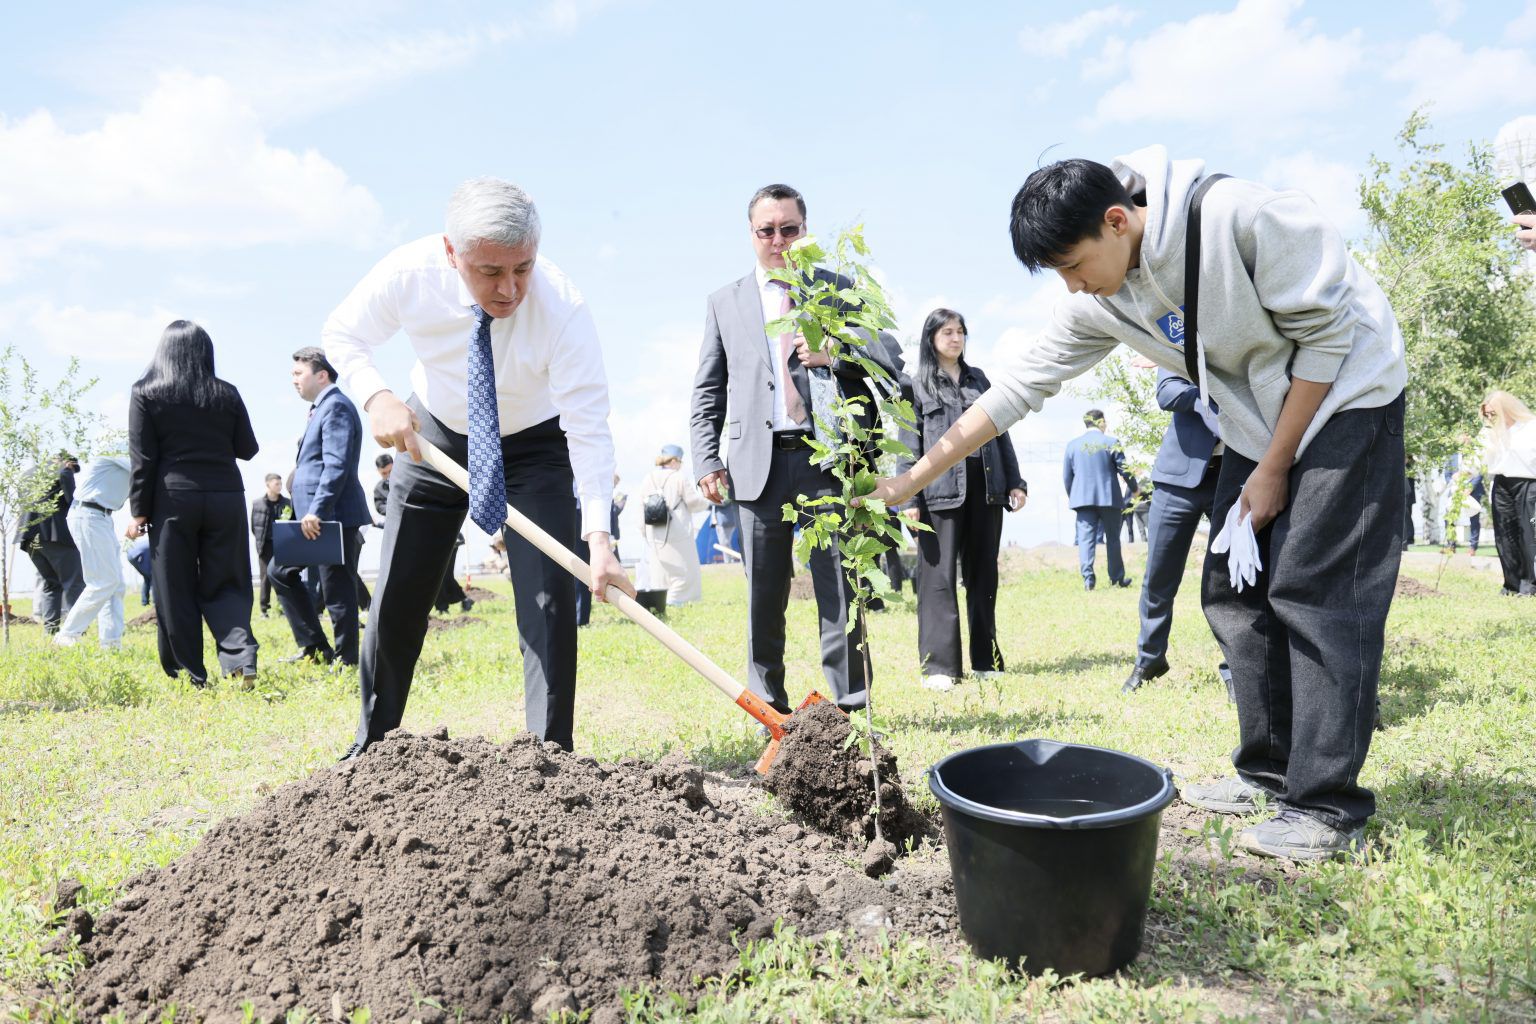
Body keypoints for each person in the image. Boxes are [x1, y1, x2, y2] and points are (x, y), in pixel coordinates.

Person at [865, 149, 1407, 861]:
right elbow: (1012, 393)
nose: (1071, 286)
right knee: (1234, 591)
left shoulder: (1242, 218)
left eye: (1073, 265)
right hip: (1258, 418)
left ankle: (1326, 806)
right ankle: (1268, 772)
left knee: (1314, 588)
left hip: (1346, 394)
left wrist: (1275, 468)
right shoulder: (1099, 298)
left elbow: (1328, 336)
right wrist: (908, 481)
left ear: (1117, 221)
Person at [323, 177, 629, 757]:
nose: (510, 288)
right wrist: (376, 396)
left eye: (523, 268)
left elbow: (588, 426)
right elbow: (343, 333)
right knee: (399, 594)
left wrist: (599, 538)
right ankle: (372, 747)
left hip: (536, 445)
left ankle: (549, 758)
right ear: (451, 253)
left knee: (548, 601)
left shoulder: (562, 307)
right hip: (432, 436)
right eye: (490, 272)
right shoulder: (409, 273)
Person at [689, 183, 899, 717]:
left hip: (826, 458)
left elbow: (886, 360)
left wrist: (835, 353)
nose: (778, 240)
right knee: (763, 596)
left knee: (841, 590)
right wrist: (706, 458)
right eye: (767, 231)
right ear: (751, 234)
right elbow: (709, 388)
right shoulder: (724, 302)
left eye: (789, 229)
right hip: (754, 464)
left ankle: (850, 709)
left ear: (805, 231)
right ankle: (769, 711)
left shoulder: (837, 288)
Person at [895, 309, 1026, 691]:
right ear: (931, 339)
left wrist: (1015, 481)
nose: (955, 338)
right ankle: (940, 667)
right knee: (937, 579)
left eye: (960, 332)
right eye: (947, 332)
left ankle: (986, 659)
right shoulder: (916, 386)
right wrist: (909, 497)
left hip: (986, 488)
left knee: (984, 575)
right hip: (937, 493)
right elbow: (909, 442)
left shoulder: (979, 379)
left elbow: (1000, 431)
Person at [126, 320, 261, 686]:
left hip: (173, 499)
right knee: (229, 582)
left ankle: (190, 673)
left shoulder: (145, 392)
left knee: (175, 588)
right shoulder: (226, 393)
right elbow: (248, 448)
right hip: (225, 496)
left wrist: (138, 511)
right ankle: (240, 659)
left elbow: (143, 459)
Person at [1123, 371, 1228, 695]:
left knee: (1232, 579)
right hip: (1176, 478)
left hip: (1233, 476)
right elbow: (1167, 391)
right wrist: (1214, 399)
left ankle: (1237, 668)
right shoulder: (1182, 345)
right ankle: (1149, 659)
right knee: (1158, 575)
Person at [268, 347, 372, 665]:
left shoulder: (336, 406)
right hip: (313, 517)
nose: (294, 380)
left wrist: (318, 510)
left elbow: (335, 465)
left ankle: (346, 660)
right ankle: (315, 646)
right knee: (279, 572)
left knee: (337, 591)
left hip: (330, 516)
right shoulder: (320, 409)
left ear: (322, 375)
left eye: (299, 373)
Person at [53, 453, 131, 649]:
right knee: (103, 582)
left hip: (102, 517)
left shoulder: (135, 451)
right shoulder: (117, 447)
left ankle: (111, 644)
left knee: (116, 584)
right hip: (89, 514)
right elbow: (144, 467)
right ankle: (67, 635)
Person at [1064, 410, 1136, 590]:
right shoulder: (1111, 442)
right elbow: (1124, 469)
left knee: (1085, 540)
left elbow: (1067, 477)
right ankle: (1116, 579)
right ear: (1101, 422)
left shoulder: (1072, 445)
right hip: (1109, 498)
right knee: (1113, 539)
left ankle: (1088, 580)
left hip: (1082, 499)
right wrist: (1135, 488)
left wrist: (1074, 495)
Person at [1479, 390, 1536, 596]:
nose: (1490, 418)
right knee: (1504, 534)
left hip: (1529, 483)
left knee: (1528, 535)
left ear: (1506, 409)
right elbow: (1477, 458)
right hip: (1502, 483)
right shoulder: (1488, 432)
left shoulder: (1531, 427)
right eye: (1487, 414)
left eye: (1493, 413)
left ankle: (1530, 584)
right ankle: (1511, 584)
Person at [640, 444, 709, 606]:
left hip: (654, 531)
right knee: (684, 569)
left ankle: (662, 598)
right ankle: (676, 599)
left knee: (660, 569)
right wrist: (708, 502)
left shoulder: (648, 478)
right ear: (674, 461)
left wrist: (643, 531)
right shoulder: (679, 477)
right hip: (677, 530)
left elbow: (640, 507)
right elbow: (693, 502)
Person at [250, 473, 294, 617]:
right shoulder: (257, 504)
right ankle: (264, 609)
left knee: (282, 576)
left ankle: (283, 608)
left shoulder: (287, 503)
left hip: (282, 545)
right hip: (265, 545)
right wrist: (260, 541)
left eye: (280, 484)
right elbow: (254, 527)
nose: (279, 487)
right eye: (276, 484)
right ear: (268, 484)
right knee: (265, 578)